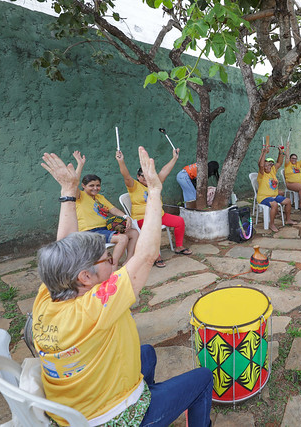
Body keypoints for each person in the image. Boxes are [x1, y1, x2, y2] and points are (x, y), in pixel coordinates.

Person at [33, 148, 213, 426]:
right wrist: (154, 191)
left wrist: (69, 191)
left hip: (73, 412)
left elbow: (64, 245)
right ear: (85, 278)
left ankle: (148, 394)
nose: (114, 264)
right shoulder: (96, 306)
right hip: (113, 418)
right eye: (107, 259)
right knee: (202, 378)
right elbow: (146, 254)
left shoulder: (48, 295)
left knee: (147, 353)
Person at [116, 148, 192, 268]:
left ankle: (179, 246)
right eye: (143, 177)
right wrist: (121, 161)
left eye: (149, 176)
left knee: (179, 221)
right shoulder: (133, 186)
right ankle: (156, 255)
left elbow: (164, 171)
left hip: (158, 215)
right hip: (142, 218)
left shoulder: (155, 183)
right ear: (138, 177)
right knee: (153, 229)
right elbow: (126, 175)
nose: (147, 179)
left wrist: (174, 158)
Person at [73, 149, 139, 266]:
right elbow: (73, 184)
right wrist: (80, 165)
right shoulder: (80, 196)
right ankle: (112, 267)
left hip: (104, 229)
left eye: (98, 185)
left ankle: (128, 262)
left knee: (134, 233)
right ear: (83, 186)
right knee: (122, 239)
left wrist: (126, 216)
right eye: (91, 186)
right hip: (90, 233)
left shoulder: (100, 197)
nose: (95, 188)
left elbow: (113, 209)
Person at [257, 144, 296, 232]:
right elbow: (261, 165)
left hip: (274, 196)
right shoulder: (262, 174)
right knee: (274, 204)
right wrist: (263, 153)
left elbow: (279, 163)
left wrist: (281, 152)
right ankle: (271, 224)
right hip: (263, 197)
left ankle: (288, 220)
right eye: (265, 166)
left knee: (288, 201)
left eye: (269, 165)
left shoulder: (272, 171)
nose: (267, 167)